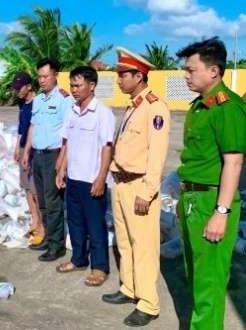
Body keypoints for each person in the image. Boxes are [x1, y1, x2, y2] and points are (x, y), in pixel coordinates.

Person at [175, 37, 246, 330]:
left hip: (212, 203)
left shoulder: (227, 108)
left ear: (214, 71)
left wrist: (221, 212)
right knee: (196, 276)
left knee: (209, 286)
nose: (186, 75)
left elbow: (234, 162)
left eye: (191, 70)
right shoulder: (199, 106)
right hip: (193, 201)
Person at [101, 47, 170, 327]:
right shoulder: (134, 106)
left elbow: (157, 153)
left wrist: (148, 191)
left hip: (140, 186)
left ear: (139, 76)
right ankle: (130, 289)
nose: (119, 80)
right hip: (121, 184)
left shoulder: (155, 107)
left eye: (123, 75)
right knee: (125, 242)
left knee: (144, 247)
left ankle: (149, 303)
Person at [54, 66, 115, 287]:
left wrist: (101, 178)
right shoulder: (71, 111)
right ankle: (78, 259)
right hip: (74, 178)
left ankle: (99, 268)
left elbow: (107, 148)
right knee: (76, 222)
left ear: (92, 86)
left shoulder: (103, 113)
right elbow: (67, 143)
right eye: (72, 85)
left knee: (95, 226)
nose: (74, 89)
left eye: (78, 85)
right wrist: (61, 169)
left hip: (92, 180)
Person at [22, 58, 73, 262]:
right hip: (38, 155)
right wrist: (27, 152)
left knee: (53, 203)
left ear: (55, 76)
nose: (41, 80)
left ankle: (56, 245)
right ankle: (46, 237)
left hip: (53, 155)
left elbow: (68, 134)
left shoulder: (64, 100)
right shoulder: (38, 100)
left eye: (45, 76)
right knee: (42, 201)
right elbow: (33, 127)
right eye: (39, 76)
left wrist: (62, 162)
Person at [11, 71, 45, 246]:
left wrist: (27, 151)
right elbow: (21, 127)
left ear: (29, 86)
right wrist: (18, 147)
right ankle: (34, 220)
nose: (17, 91)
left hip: (34, 150)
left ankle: (42, 226)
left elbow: (36, 128)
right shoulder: (22, 103)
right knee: (26, 187)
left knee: (35, 190)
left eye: (19, 88)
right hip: (24, 148)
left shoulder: (39, 103)